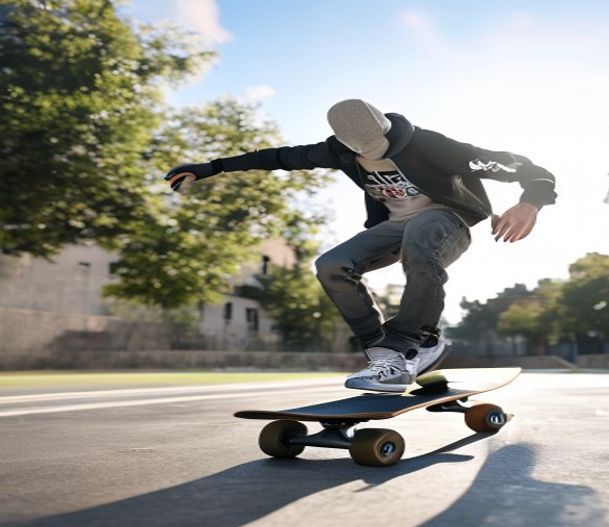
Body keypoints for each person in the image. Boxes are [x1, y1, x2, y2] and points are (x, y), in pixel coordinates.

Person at [165, 99, 557, 392]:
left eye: (379, 149)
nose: (370, 157)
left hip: (447, 222)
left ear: (388, 132)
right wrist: (211, 168)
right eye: (360, 153)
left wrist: (530, 202)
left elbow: (523, 167)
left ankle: (411, 341)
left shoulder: (433, 146)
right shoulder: (338, 151)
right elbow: (279, 158)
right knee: (332, 265)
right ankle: (385, 357)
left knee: (422, 231)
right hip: (393, 227)